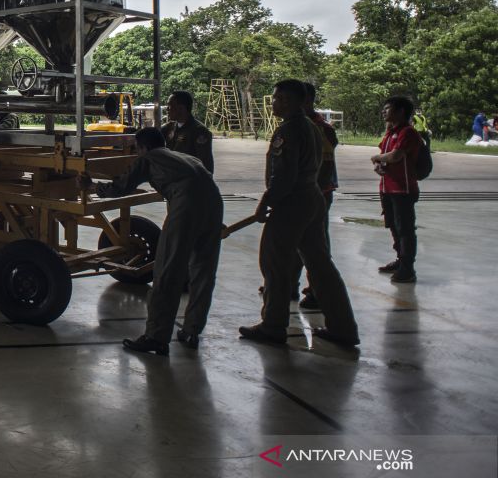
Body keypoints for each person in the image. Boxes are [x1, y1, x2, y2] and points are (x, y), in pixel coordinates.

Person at [81, 128, 223, 356]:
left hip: (187, 206)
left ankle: (156, 337)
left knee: (167, 271)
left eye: (137, 149)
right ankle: (192, 331)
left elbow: (121, 187)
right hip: (215, 205)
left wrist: (93, 187)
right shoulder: (185, 157)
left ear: (143, 147)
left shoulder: (149, 158)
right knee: (203, 272)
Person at [239, 79, 359, 349]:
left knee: (275, 264)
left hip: (292, 202)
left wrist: (266, 202)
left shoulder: (289, 131)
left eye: (278, 98)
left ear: (293, 102)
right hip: (313, 197)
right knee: (321, 266)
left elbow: (284, 175)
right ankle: (344, 327)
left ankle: (272, 325)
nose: (273, 103)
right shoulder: (313, 128)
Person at [293, 82, 339, 311]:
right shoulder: (298, 125)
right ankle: (288, 283)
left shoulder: (319, 127)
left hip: (314, 195)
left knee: (316, 246)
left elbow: (326, 166)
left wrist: (315, 195)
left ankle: (318, 291)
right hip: (301, 194)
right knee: (294, 241)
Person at [372, 96, 421, 283]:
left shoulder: (407, 132)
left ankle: (408, 268)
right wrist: (378, 165)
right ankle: (401, 260)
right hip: (388, 187)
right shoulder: (390, 133)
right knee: (393, 225)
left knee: (405, 228)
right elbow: (385, 159)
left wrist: (376, 157)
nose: (384, 112)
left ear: (400, 112)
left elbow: (395, 156)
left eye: (388, 108)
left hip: (403, 189)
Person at [162, 90, 214, 174]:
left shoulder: (199, 131)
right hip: (173, 179)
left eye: (170, 105)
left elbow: (205, 166)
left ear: (181, 108)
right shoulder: (169, 127)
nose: (167, 109)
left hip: (190, 181)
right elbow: (152, 135)